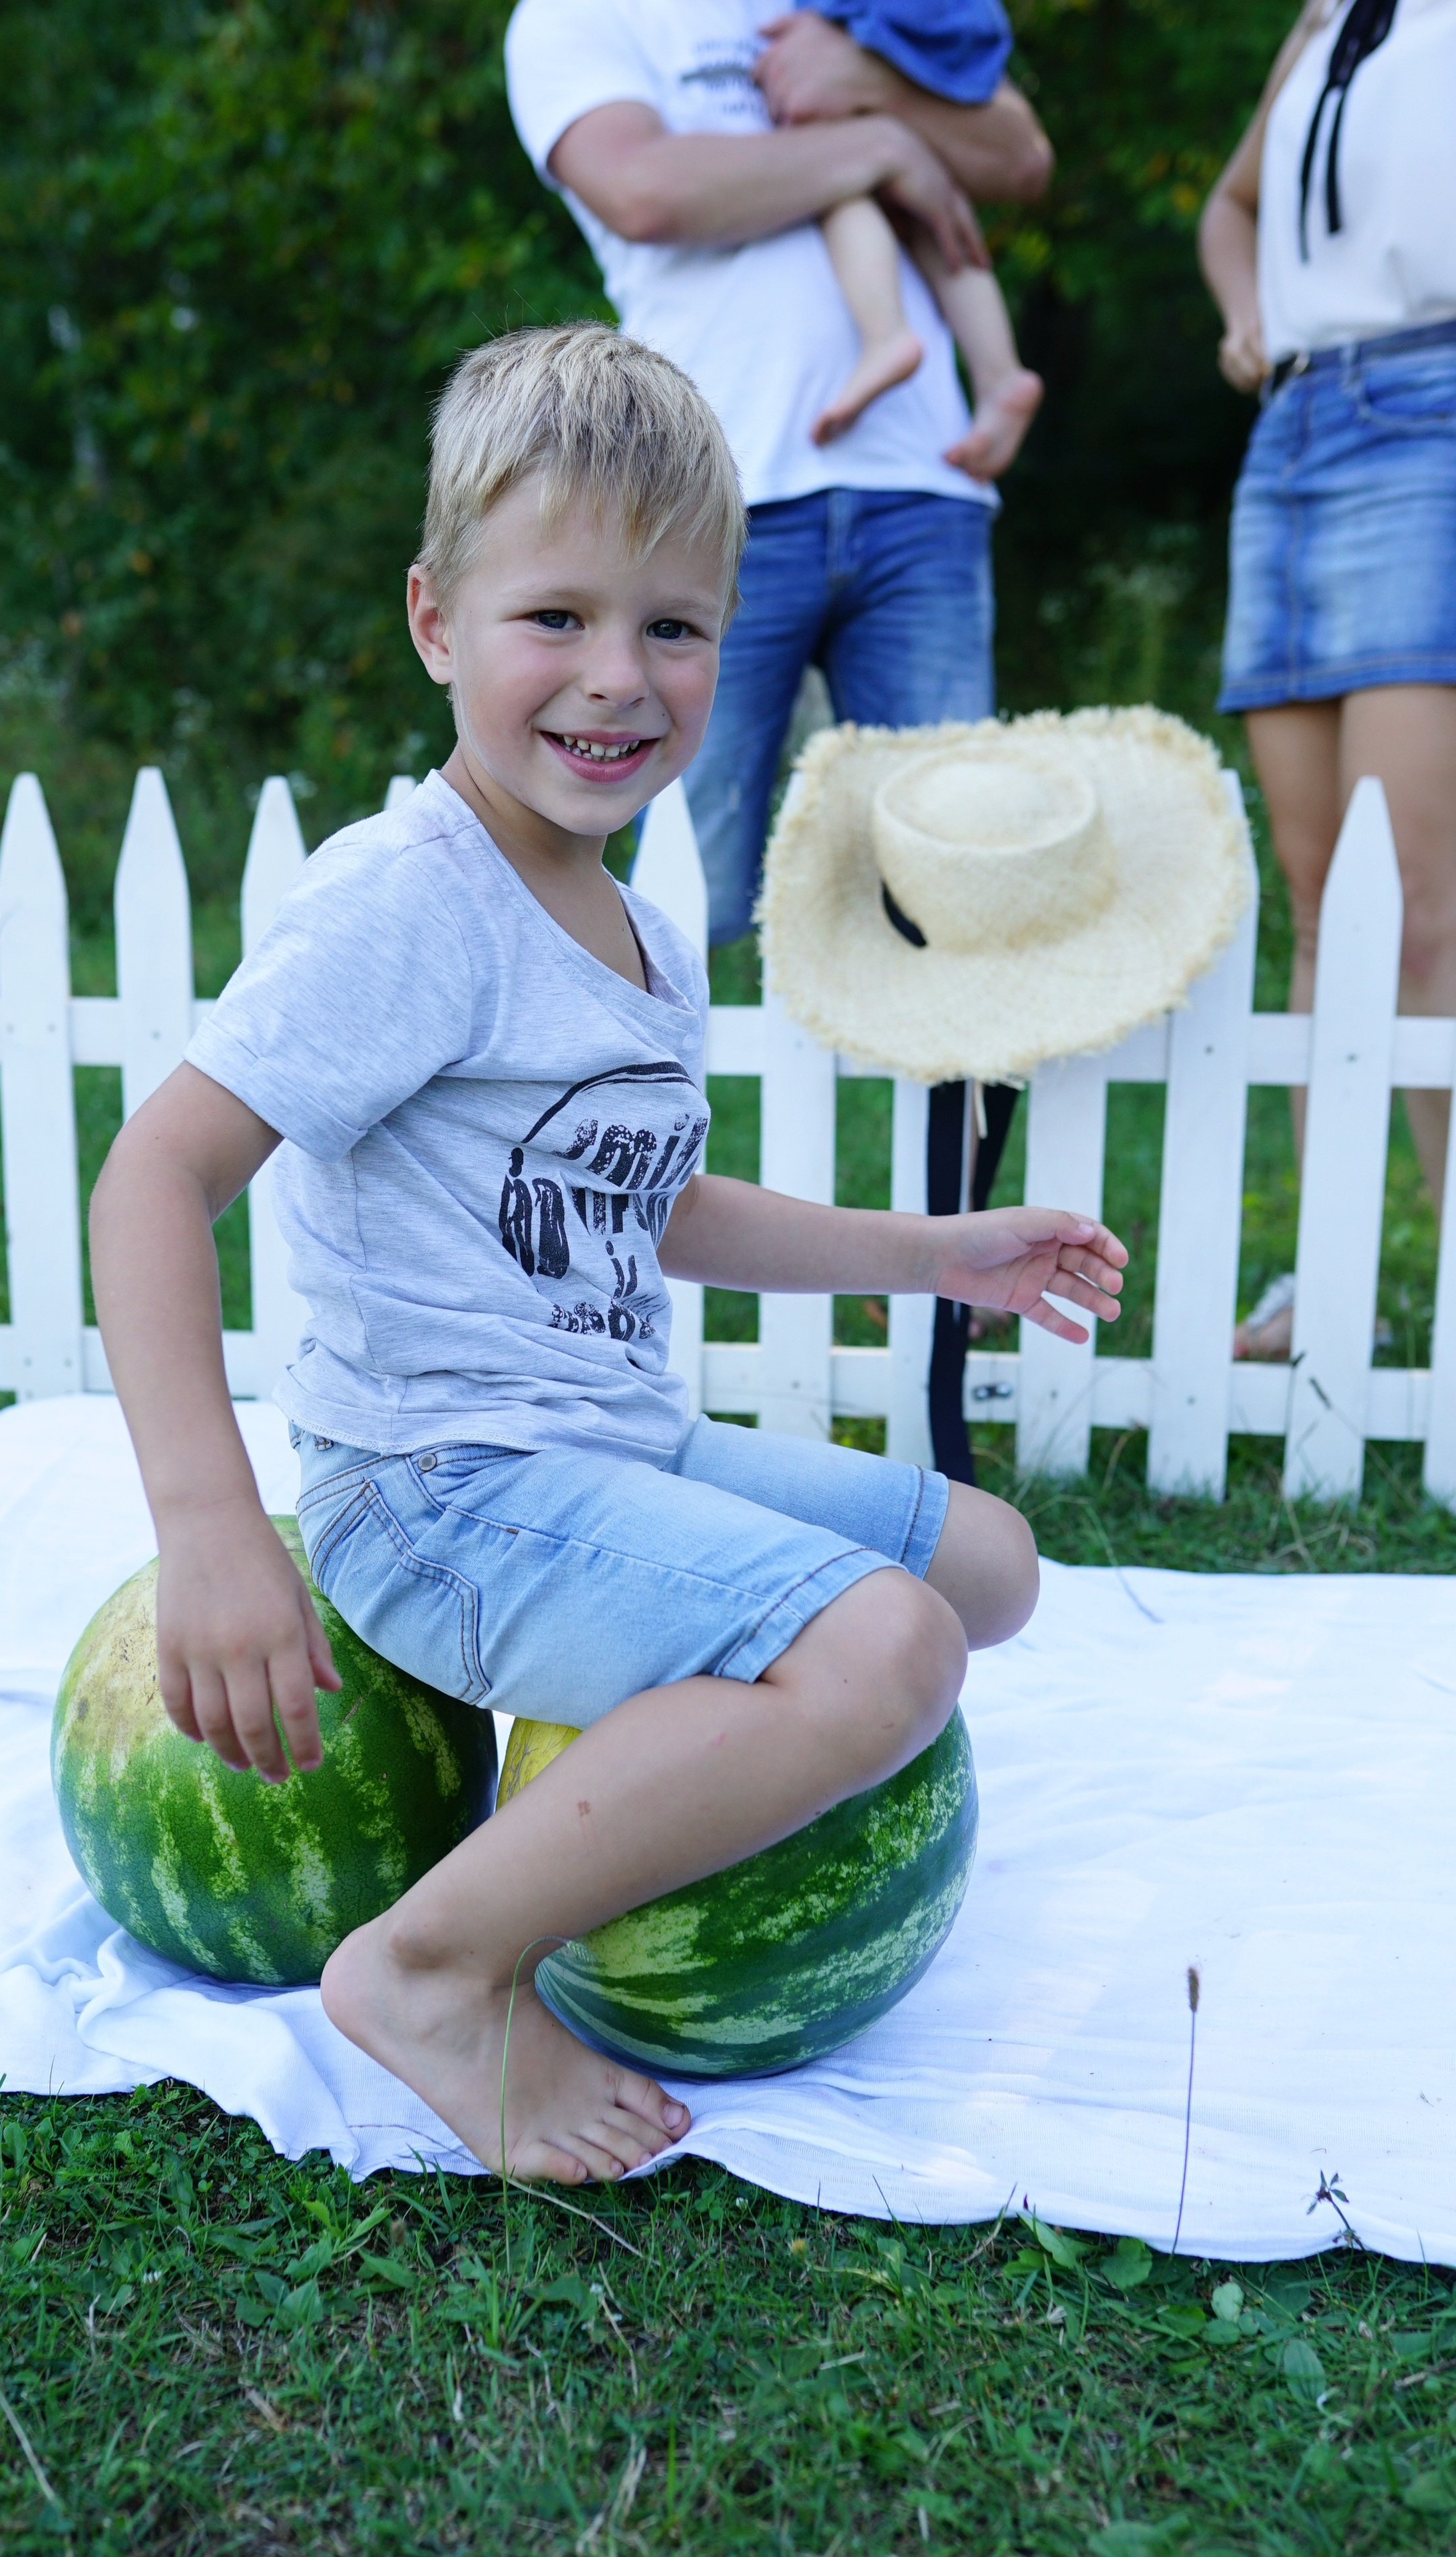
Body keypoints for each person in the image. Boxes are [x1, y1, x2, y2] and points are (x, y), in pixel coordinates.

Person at [89, 326, 1128, 2185]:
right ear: (434, 623)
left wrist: (938, 1254)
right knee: (889, 1651)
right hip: (445, 1494)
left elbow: (652, 1206)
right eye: (551, 618)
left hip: (604, 1451)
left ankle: (651, 1781)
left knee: (990, 1566)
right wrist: (212, 1525)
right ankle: (428, 1966)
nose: (614, 679)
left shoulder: (645, 934)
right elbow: (156, 1176)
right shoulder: (411, 903)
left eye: (672, 627)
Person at [504, 0, 1053, 947]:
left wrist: (871, 90)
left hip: (925, 485)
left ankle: (953, 1102)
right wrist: (885, 147)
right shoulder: (569, 16)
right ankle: (647, 1099)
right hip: (710, 499)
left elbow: (1019, 156)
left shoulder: (848, 4)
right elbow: (646, 190)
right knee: (695, 880)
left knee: (956, 878)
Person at [1200, 0, 1456, 1357]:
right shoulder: (1325, 18)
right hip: (1293, 429)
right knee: (1321, 903)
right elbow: (1228, 208)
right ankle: (1322, 1281)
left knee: (1417, 909)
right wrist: (1247, 319)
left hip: (1435, 413)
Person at [806, 0, 1043, 456]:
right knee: (932, 205)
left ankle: (886, 335)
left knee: (837, 177)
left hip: (884, 21)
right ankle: (1000, 374)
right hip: (953, 20)